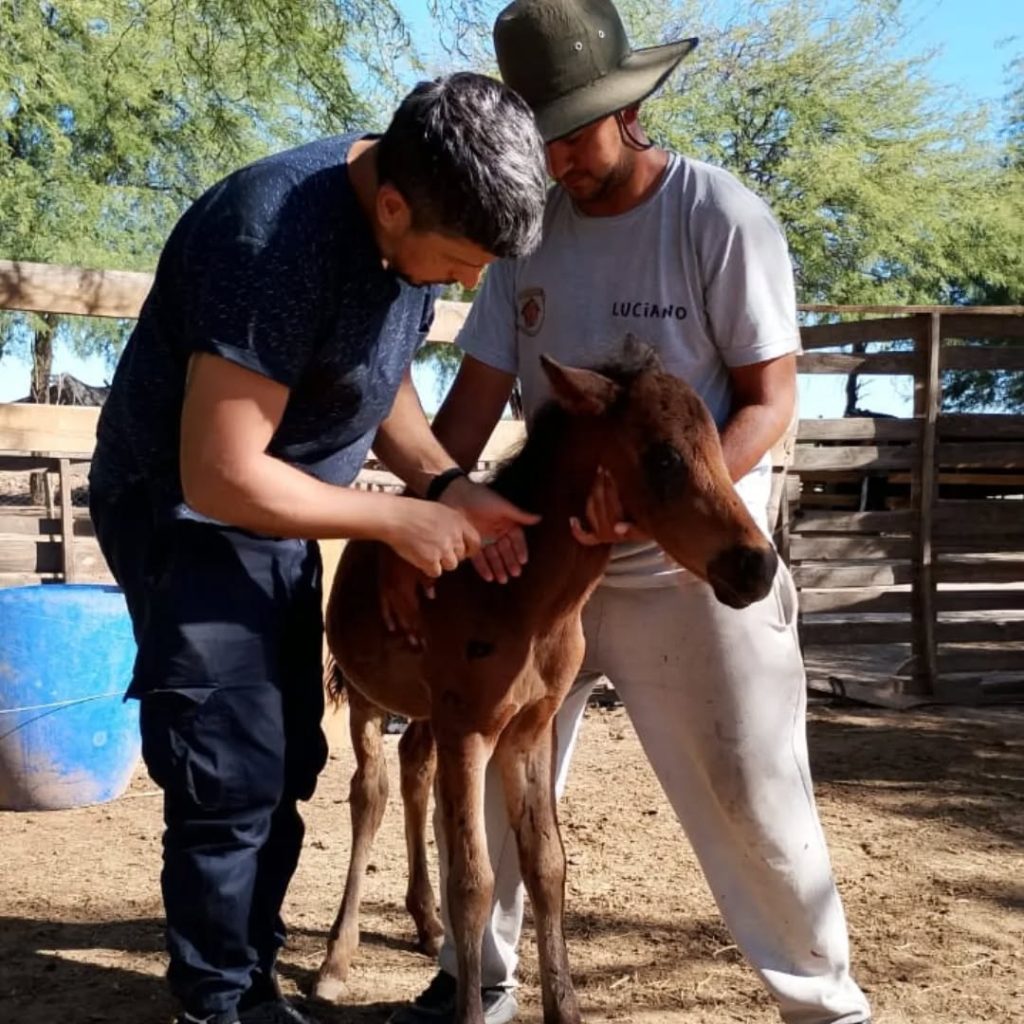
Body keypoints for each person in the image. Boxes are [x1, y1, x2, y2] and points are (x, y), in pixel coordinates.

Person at [385, 3, 873, 1024]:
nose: (558, 158)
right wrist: (415, 513)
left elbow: (768, 400)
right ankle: (477, 978)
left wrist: (659, 514)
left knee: (750, 789)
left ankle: (822, 1004)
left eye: (576, 131)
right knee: (488, 774)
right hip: (539, 563)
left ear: (632, 106)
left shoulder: (714, 216)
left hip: (680, 568)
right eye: (541, 136)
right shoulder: (524, 235)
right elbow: (471, 404)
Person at [88, 72, 548, 1024]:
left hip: (279, 507)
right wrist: (393, 521)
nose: (468, 283)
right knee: (229, 765)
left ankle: (246, 981)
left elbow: (377, 385)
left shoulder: (407, 221)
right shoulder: (272, 239)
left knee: (289, 752)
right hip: (185, 511)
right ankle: (218, 1007)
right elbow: (218, 474)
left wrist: (442, 484)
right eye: (462, 261)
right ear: (391, 205)